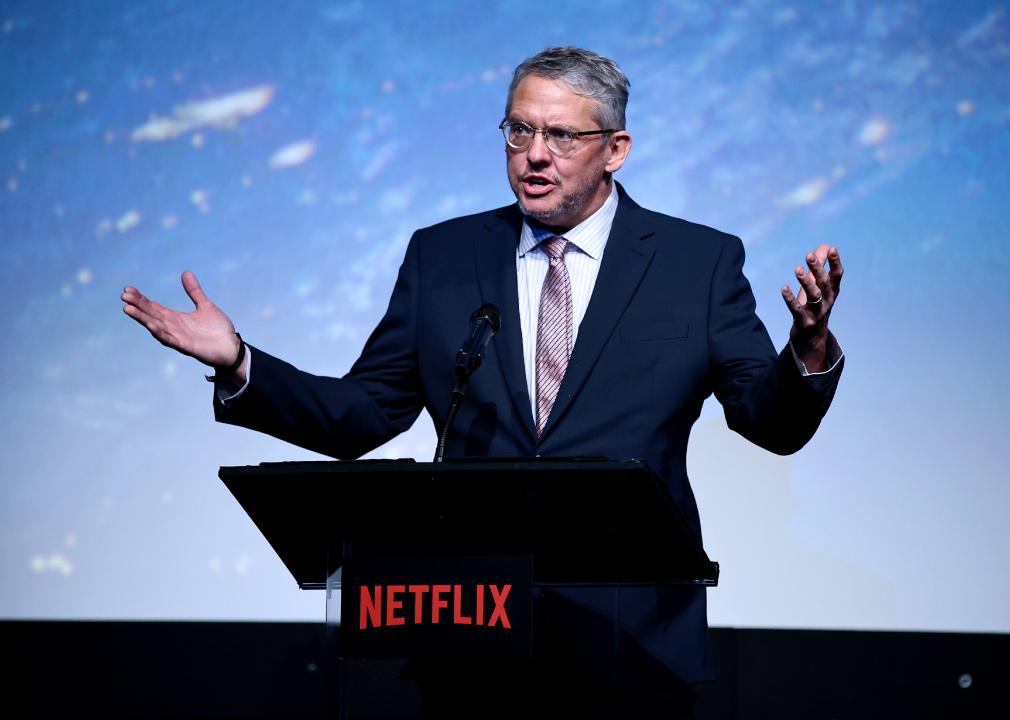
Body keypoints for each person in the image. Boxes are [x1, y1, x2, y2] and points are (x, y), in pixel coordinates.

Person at [123, 47, 843, 719]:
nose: (533, 155)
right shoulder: (444, 256)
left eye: (561, 136)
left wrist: (807, 348)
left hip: (634, 645)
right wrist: (240, 362)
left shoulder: (697, 263)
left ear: (615, 151)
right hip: (473, 634)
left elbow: (768, 420)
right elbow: (364, 412)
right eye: (518, 131)